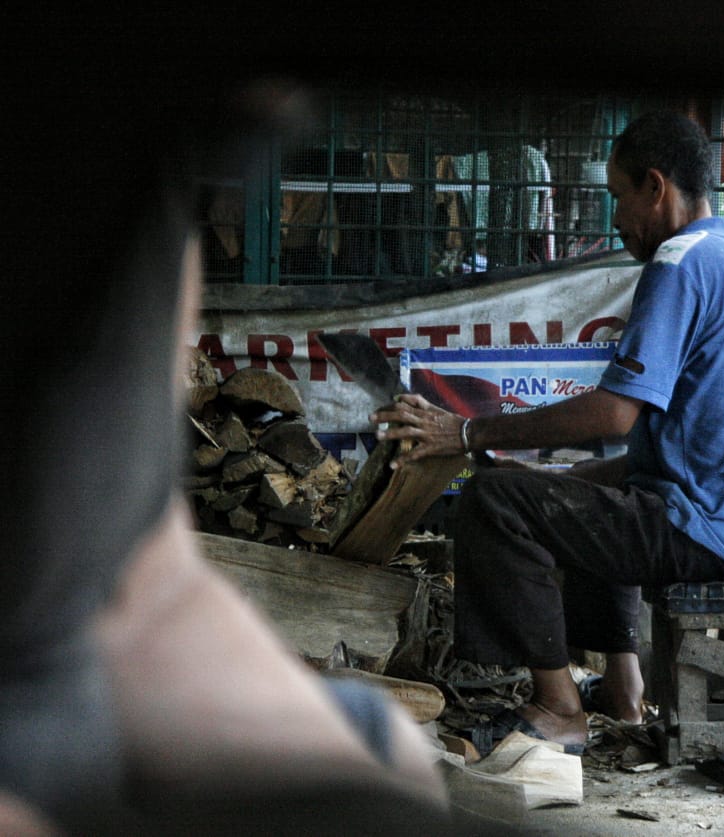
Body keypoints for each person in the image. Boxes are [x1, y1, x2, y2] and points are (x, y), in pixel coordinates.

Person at [0, 70, 455, 835]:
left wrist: (360, 780)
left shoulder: (139, 204)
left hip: (79, 700)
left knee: (376, 738)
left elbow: (151, 581)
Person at [370, 111, 724, 755]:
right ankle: (623, 696)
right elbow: (656, 450)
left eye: (619, 199)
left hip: (711, 526)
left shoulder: (678, 264)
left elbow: (612, 415)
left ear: (655, 187)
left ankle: (558, 707)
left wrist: (466, 431)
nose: (617, 220)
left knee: (493, 499)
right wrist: (556, 482)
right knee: (577, 501)